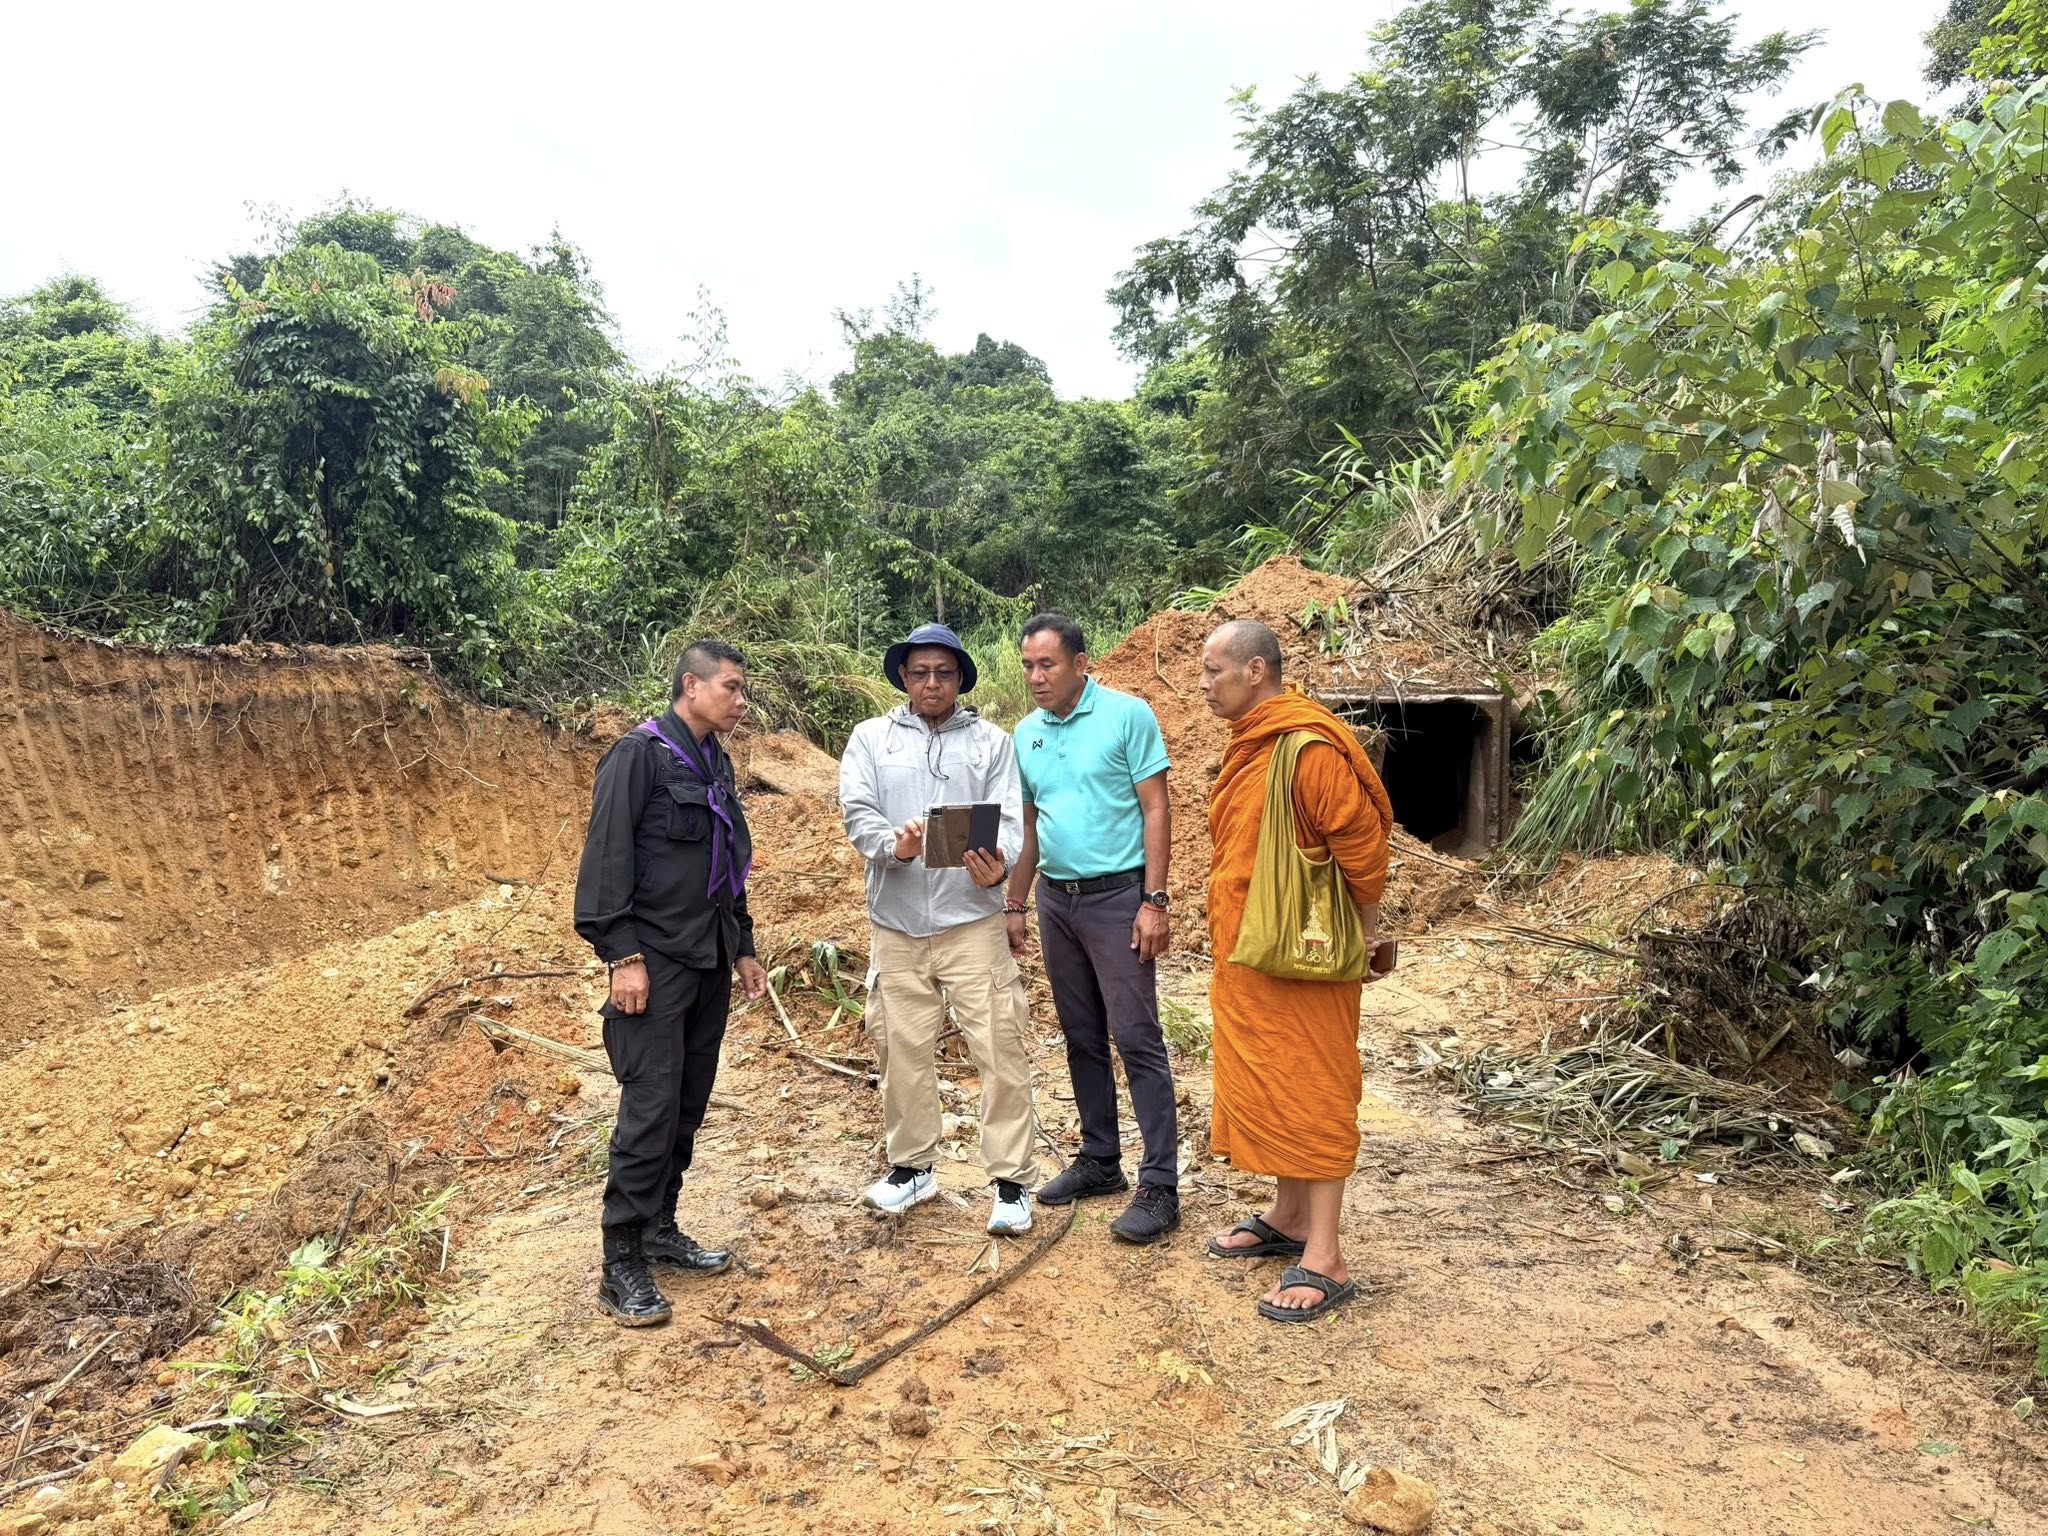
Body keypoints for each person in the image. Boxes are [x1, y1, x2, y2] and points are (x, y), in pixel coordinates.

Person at [1198, 619, 1396, 1322]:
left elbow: (1364, 852)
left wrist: (1366, 938)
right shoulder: (1255, 746)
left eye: (1214, 671)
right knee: (1273, 1083)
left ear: (1256, 672)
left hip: (1305, 958)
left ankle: (1327, 1256)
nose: (1203, 686)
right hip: (1254, 953)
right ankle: (1287, 1215)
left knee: (1312, 1085)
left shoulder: (1307, 750)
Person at [573, 639, 770, 1327]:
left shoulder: (714, 759)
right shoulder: (638, 757)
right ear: (691, 685)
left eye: (742, 691)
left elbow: (727, 863)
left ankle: (660, 1226)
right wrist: (621, 956)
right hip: (653, 966)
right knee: (649, 1109)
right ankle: (619, 1261)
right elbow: (606, 862)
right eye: (732, 688)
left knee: (687, 1102)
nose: (740, 702)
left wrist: (742, 946)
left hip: (707, 958)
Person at [840, 623, 1039, 1236]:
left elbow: (1009, 818)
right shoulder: (871, 739)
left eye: (944, 673)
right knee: (900, 1047)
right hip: (896, 926)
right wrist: (893, 847)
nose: (932, 683)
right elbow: (856, 810)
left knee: (1000, 1045)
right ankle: (911, 1168)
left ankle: (1011, 1182)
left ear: (961, 680)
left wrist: (997, 863)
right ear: (903, 677)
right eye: (920, 672)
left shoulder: (990, 743)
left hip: (971, 924)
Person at [1003, 613, 1182, 1243]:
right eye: (1028, 665)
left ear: (1081, 663)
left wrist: (1154, 900)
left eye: (1047, 664)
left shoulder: (1128, 715)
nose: (1035, 677)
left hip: (1118, 898)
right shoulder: (1025, 735)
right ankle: (1100, 1159)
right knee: (1080, 1034)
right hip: (1057, 902)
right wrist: (1016, 904)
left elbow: (1157, 807)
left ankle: (1160, 1184)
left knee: (1136, 1037)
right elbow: (1030, 827)